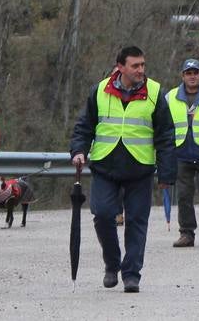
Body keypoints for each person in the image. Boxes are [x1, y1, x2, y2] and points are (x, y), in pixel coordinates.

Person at [70, 45, 176, 293]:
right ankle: (112, 263)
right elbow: (85, 126)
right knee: (103, 214)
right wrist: (78, 150)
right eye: (135, 66)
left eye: (143, 65)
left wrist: (167, 173)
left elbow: (165, 135)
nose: (141, 70)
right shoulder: (99, 91)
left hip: (140, 168)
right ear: (120, 67)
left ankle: (131, 274)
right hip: (106, 166)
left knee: (137, 221)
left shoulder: (155, 93)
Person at [166, 59, 199, 248]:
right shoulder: (171, 96)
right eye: (188, 73)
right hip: (181, 153)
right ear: (183, 76)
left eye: (196, 72)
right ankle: (187, 233)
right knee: (183, 195)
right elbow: (164, 124)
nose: (192, 76)